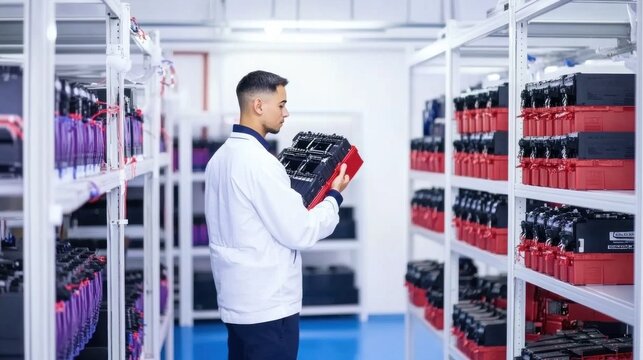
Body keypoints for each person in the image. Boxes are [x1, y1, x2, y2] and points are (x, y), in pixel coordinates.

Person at [204, 70, 351, 360]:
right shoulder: (260, 164)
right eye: (281, 104)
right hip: (268, 306)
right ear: (259, 105)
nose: (287, 113)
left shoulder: (220, 158)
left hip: (238, 301)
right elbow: (301, 232)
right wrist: (334, 196)